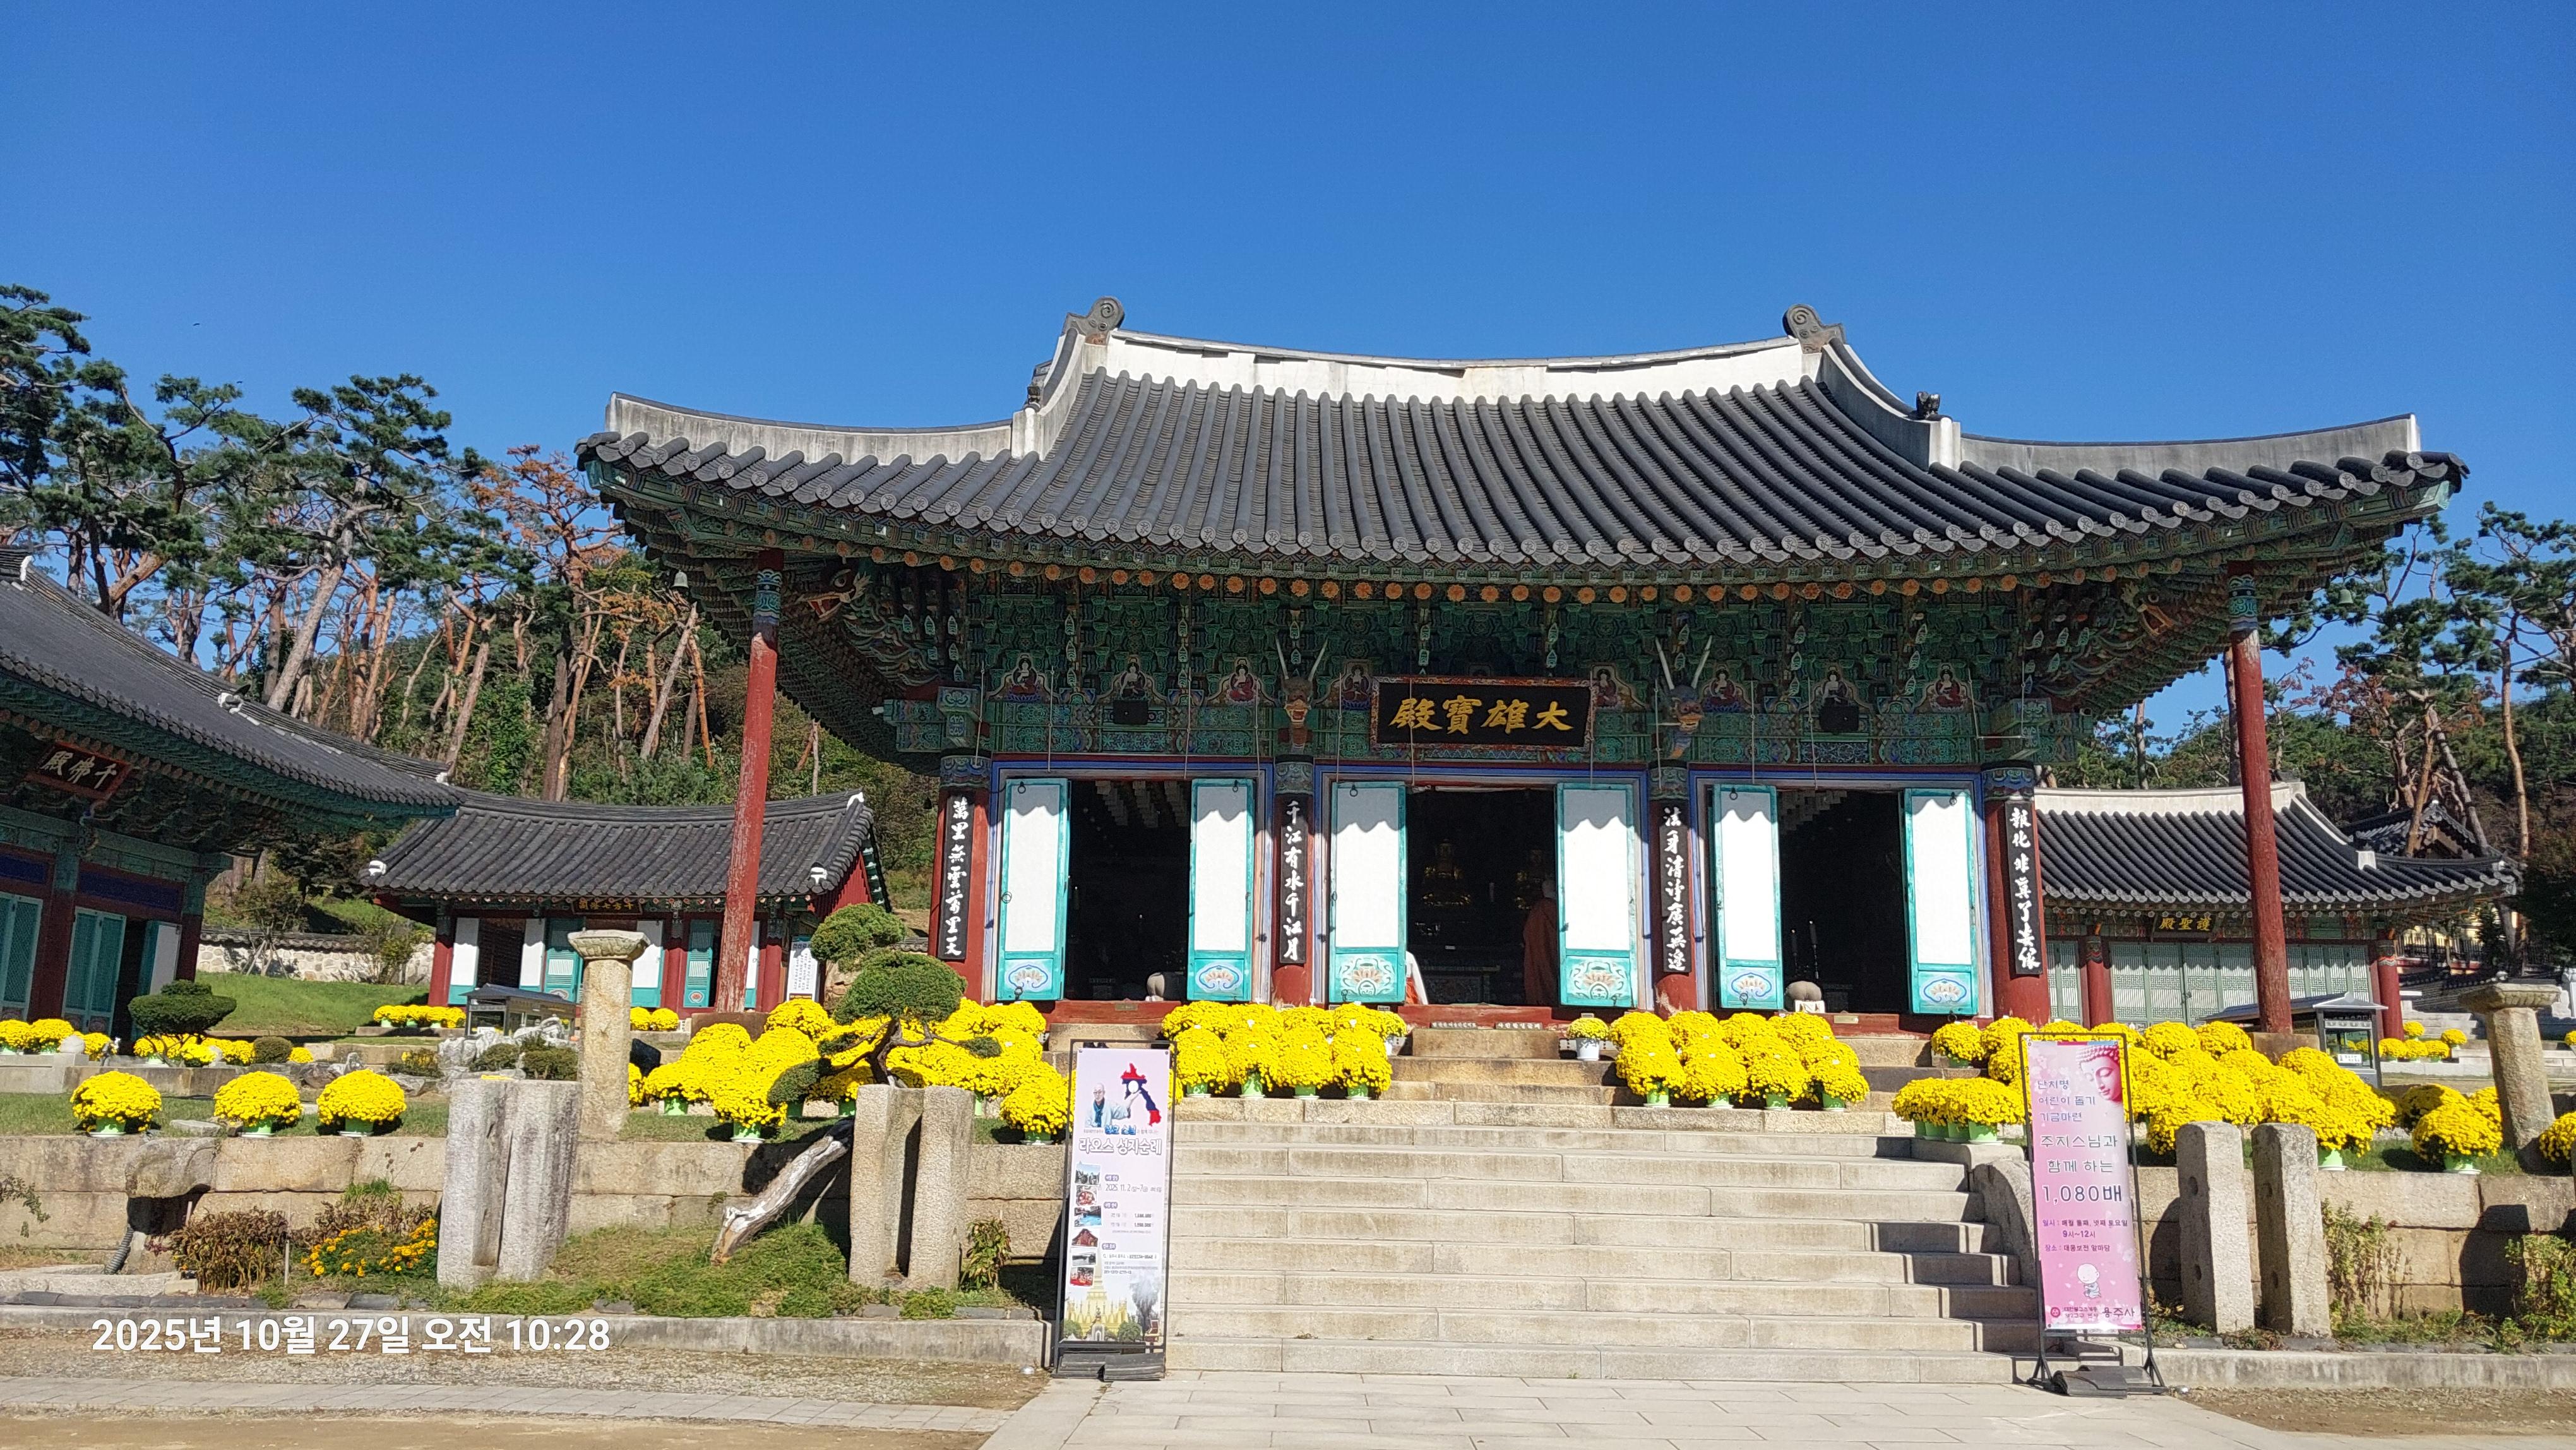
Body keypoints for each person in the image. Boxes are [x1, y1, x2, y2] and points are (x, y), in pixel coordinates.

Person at [1522, 879, 1558, 1008]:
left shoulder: (1539, 909)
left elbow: (1527, 932)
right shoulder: (1555, 908)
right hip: (1553, 950)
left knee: (1539, 977)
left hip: (1538, 951)